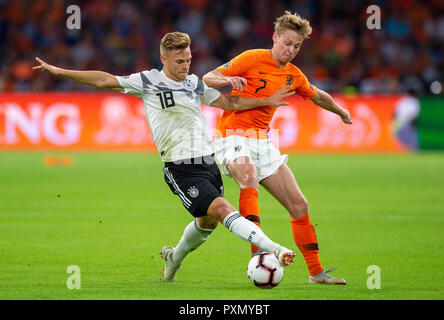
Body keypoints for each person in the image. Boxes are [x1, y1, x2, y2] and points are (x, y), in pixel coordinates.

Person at [33, 31, 297, 282]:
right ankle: (273, 249)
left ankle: (174, 256)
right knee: (221, 208)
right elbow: (105, 79)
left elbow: (229, 103)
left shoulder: (194, 83)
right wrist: (60, 71)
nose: (185, 66)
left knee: (208, 221)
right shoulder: (148, 81)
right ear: (164, 59)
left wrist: (267, 100)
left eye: (189, 60)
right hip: (180, 167)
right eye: (180, 61)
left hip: (207, 162)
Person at [203, 11, 352, 284]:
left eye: (297, 46)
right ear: (275, 37)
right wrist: (227, 80)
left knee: (299, 204)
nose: (291, 50)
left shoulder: (294, 75)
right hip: (232, 135)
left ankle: (316, 273)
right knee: (248, 177)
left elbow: (317, 95)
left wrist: (340, 110)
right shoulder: (251, 58)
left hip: (262, 142)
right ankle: (257, 252)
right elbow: (207, 78)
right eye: (287, 43)